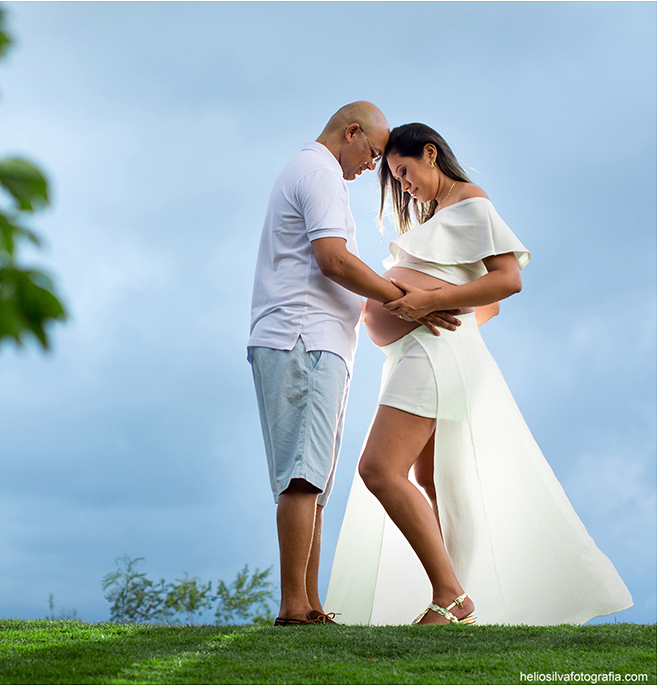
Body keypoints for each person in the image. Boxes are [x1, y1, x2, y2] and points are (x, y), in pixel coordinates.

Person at [323, 123, 633, 625]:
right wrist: (422, 305)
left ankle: (451, 596)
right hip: (416, 353)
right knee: (427, 476)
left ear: (430, 153)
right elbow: (480, 304)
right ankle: (445, 594)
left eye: (403, 171)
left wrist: (429, 301)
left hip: (432, 354)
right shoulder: (442, 214)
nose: (404, 185)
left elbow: (507, 280)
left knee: (379, 469)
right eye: (396, 180)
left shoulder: (471, 204)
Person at [248, 104, 462, 626]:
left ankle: (310, 604)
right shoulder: (318, 172)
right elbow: (333, 259)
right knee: (303, 476)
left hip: (316, 344)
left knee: (313, 478)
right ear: (351, 132)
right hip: (303, 339)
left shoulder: (314, 173)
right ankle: (295, 608)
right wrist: (404, 296)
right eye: (371, 153)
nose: (374, 167)